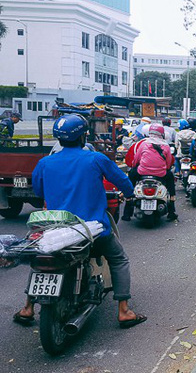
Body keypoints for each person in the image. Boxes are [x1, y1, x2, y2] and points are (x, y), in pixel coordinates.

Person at [14, 114, 146, 329]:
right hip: (91, 231)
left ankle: (28, 307)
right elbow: (121, 180)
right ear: (83, 137)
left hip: (56, 229)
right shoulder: (95, 159)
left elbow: (39, 191)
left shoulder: (45, 162)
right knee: (119, 259)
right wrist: (129, 193)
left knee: (43, 257)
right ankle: (124, 311)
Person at [124, 124, 178, 221]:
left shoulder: (143, 144)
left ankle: (127, 210)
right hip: (160, 174)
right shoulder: (165, 146)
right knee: (170, 181)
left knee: (131, 177)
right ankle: (171, 211)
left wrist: (135, 166)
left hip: (142, 172)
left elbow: (136, 159)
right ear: (162, 134)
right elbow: (169, 162)